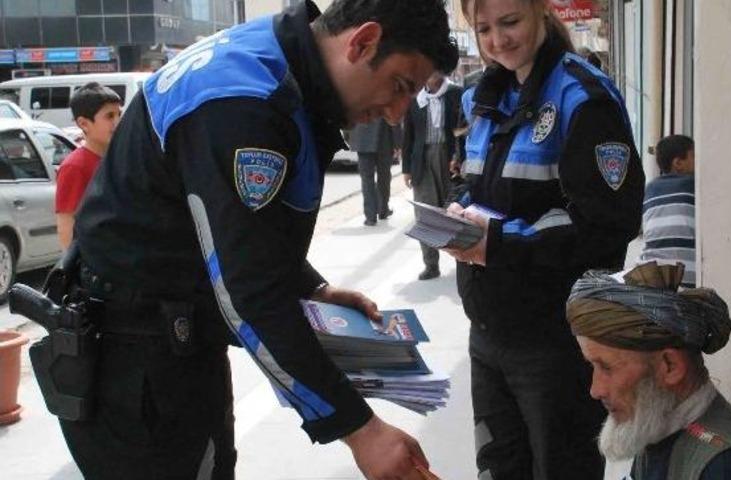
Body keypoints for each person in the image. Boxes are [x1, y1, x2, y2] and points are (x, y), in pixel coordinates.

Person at [66, 1, 458, 478]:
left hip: (170, 340)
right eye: (399, 86)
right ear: (363, 41)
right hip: (135, 360)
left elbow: (238, 225)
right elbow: (248, 289)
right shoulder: (241, 101)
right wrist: (362, 430)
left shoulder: (272, 62)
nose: (397, 114)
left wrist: (312, 288)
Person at [444, 0, 645, 478]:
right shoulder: (482, 96)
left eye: (510, 22)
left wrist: (498, 242)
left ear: (540, 11)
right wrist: (458, 209)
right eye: (484, 28)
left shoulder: (585, 98)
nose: (498, 40)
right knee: (498, 467)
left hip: (556, 341)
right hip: (488, 332)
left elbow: (607, 228)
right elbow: (475, 180)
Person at [566, 262, 731, 480]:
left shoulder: (726, 467)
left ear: (671, 366)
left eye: (606, 367)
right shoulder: (658, 422)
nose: (596, 390)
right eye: (591, 366)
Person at [402, 72, 464, 280]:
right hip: (423, 160)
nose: (430, 74)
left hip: (450, 159)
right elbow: (408, 135)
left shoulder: (456, 93)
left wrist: (460, 156)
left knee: (455, 211)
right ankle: (431, 264)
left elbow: (463, 130)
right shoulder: (415, 98)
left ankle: (462, 261)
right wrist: (407, 168)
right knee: (425, 212)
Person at [54, 82, 122, 249]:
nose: (117, 122)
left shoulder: (121, 158)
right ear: (84, 124)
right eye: (109, 116)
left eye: (119, 114)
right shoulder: (74, 166)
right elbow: (66, 225)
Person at [639, 134, 696, 287]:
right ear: (678, 163)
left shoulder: (650, 189)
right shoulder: (693, 185)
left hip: (651, 276)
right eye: (694, 156)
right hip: (687, 277)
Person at [350, 118, 400, 226]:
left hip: (362, 138)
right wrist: (397, 142)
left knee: (367, 179)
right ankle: (383, 210)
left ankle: (370, 216)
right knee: (384, 177)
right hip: (384, 138)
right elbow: (393, 113)